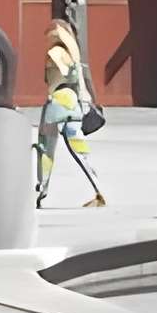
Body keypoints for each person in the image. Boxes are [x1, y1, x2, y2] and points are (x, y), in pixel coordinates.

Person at [35, 15, 107, 209]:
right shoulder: (74, 56)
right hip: (73, 104)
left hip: (57, 104)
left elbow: (56, 80)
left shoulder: (56, 53)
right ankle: (98, 189)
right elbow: (79, 80)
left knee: (46, 149)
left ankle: (42, 188)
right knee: (79, 151)